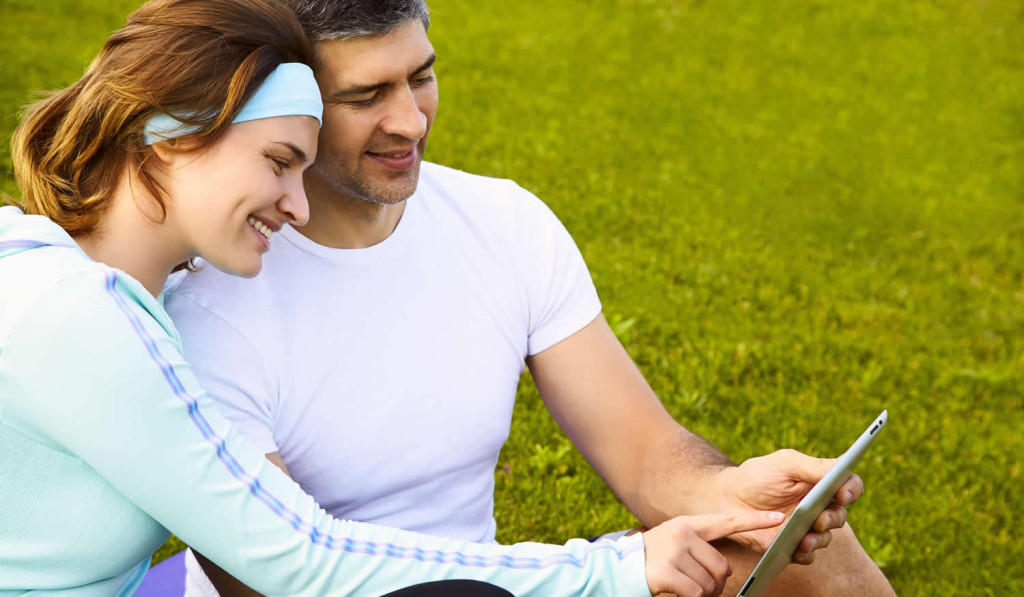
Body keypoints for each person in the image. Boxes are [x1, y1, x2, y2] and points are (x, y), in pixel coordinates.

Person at [0, 0, 775, 595]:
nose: (295, 204)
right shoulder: (85, 316)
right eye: (277, 162)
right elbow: (297, 561)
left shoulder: (74, 285)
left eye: (421, 76)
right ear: (177, 133)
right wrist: (612, 569)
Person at [163, 1, 897, 596]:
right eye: (366, 95)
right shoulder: (210, 305)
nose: (411, 121)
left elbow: (644, 453)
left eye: (420, 76)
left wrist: (730, 492)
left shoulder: (502, 224)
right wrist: (602, 574)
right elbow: (282, 577)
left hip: (506, 585)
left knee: (805, 556)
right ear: (291, 105)